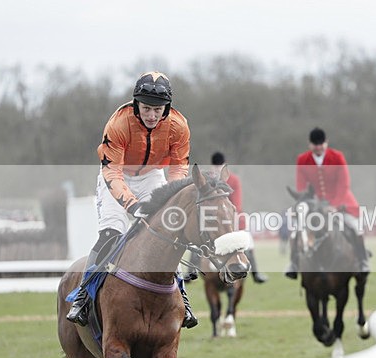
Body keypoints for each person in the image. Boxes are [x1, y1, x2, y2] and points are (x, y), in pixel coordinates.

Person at [66, 71, 198, 328]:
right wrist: (131, 204)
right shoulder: (119, 123)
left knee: (169, 235)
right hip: (117, 176)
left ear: (167, 108)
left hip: (152, 176)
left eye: (158, 110)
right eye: (146, 108)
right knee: (111, 234)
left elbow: (179, 168)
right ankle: (83, 296)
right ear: (136, 104)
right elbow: (112, 172)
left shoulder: (179, 126)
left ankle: (182, 296)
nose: (152, 115)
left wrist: (170, 198)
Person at [285, 127, 369, 279]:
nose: (318, 147)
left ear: (326, 143)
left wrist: (334, 206)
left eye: (321, 144)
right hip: (314, 206)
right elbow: (302, 187)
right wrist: (310, 205)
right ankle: (294, 264)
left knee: (355, 227)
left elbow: (344, 184)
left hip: (341, 202)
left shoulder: (337, 157)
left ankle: (362, 261)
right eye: (315, 144)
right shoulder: (302, 160)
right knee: (296, 231)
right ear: (310, 145)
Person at [209, 152, 267, 283]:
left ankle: (256, 274)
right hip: (214, 221)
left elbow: (237, 204)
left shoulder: (234, 180)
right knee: (198, 241)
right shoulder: (208, 181)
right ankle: (191, 272)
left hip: (234, 219)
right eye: (215, 167)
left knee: (249, 243)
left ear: (224, 166)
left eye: (219, 167)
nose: (217, 169)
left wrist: (228, 219)